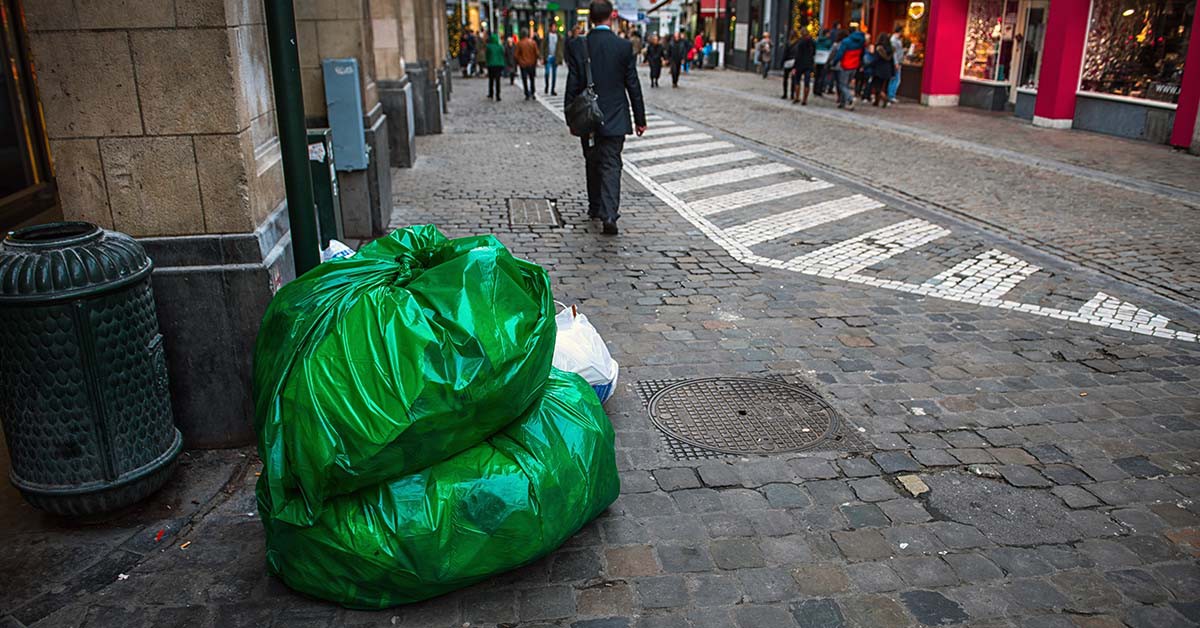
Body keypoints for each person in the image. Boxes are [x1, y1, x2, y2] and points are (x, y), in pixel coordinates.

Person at [564, 0, 646, 236]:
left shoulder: (581, 46)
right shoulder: (623, 46)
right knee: (611, 165)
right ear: (611, 16)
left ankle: (595, 206)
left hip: (588, 117)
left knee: (592, 161)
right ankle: (609, 214)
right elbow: (633, 85)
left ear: (590, 18)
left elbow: (572, 84)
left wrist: (570, 118)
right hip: (615, 117)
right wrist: (639, 118)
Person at [829, 28, 863, 109]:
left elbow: (840, 54)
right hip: (854, 65)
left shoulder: (846, 42)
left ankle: (850, 99)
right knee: (846, 84)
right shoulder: (860, 42)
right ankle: (842, 102)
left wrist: (834, 62)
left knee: (842, 85)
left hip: (845, 65)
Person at [792, 28, 816, 104]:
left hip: (800, 64)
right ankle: (805, 99)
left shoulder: (800, 42)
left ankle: (797, 97)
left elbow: (797, 55)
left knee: (797, 81)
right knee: (807, 82)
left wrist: (794, 66)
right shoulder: (812, 42)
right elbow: (814, 53)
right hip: (809, 64)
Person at [870, 32, 893, 107]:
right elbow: (892, 60)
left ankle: (883, 97)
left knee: (876, 86)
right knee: (884, 85)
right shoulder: (890, 49)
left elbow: (875, 59)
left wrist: (869, 65)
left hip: (879, 69)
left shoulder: (879, 48)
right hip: (887, 69)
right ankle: (877, 101)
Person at [515, 29, 539, 99]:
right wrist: (535, 60)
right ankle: (533, 92)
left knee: (524, 79)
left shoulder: (520, 43)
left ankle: (527, 93)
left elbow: (516, 55)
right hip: (531, 63)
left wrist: (519, 61)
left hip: (523, 64)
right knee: (532, 79)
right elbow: (537, 53)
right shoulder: (533, 43)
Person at [542, 27, 563, 95]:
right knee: (547, 73)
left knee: (554, 74)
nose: (554, 28)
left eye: (555, 27)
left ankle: (552, 89)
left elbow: (561, 47)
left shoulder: (559, 36)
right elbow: (543, 45)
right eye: (553, 27)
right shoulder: (547, 35)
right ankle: (547, 86)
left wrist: (560, 58)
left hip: (555, 57)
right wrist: (542, 56)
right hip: (548, 56)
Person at [888, 25, 905, 104]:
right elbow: (894, 52)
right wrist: (896, 63)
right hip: (897, 62)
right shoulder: (894, 40)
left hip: (898, 61)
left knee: (894, 79)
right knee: (896, 79)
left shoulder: (896, 40)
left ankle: (891, 95)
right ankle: (891, 95)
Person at [485, 33, 505, 100]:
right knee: (498, 80)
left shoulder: (488, 46)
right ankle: (498, 95)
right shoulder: (500, 46)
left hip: (491, 65)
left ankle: (491, 93)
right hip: (499, 65)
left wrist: (487, 63)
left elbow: (487, 55)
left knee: (491, 80)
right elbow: (502, 54)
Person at [814, 28, 831, 97]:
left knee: (817, 75)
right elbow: (829, 49)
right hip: (824, 59)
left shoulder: (818, 40)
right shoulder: (828, 41)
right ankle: (819, 90)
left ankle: (815, 89)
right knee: (822, 76)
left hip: (817, 58)